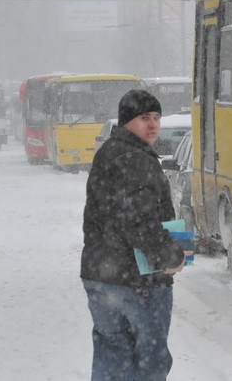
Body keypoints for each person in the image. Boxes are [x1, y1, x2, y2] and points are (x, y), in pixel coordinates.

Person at [80, 89, 192, 381]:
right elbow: (137, 221)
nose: (153, 124)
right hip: (138, 282)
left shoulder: (109, 152)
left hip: (100, 277)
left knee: (111, 357)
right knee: (149, 364)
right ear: (127, 120)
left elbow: (109, 216)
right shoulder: (136, 159)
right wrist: (172, 255)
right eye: (144, 118)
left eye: (156, 117)